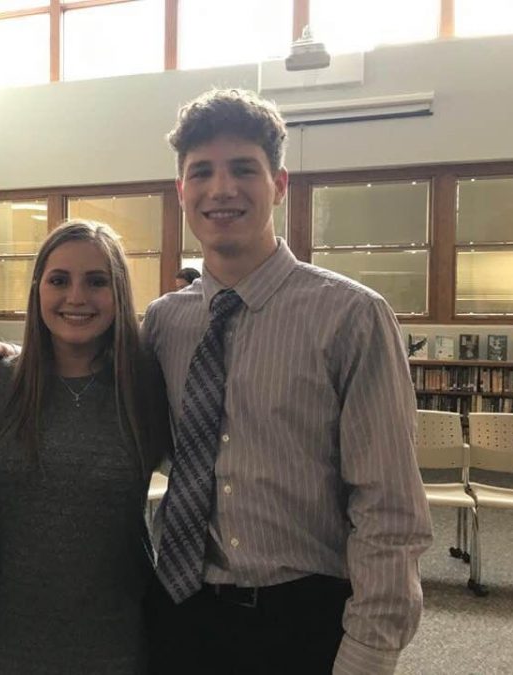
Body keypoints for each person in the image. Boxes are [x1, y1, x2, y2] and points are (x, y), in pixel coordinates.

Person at [143, 89, 432, 675]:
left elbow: (389, 505)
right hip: (177, 611)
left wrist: (371, 651)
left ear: (279, 183)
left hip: (299, 621)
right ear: (181, 192)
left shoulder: (350, 316)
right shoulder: (164, 322)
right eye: (202, 172)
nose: (221, 188)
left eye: (243, 169)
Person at [0, 220, 169, 675]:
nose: (76, 297)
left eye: (97, 281)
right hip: (4, 636)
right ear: (38, 289)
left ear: (119, 293)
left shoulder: (147, 385)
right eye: (59, 280)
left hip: (117, 638)